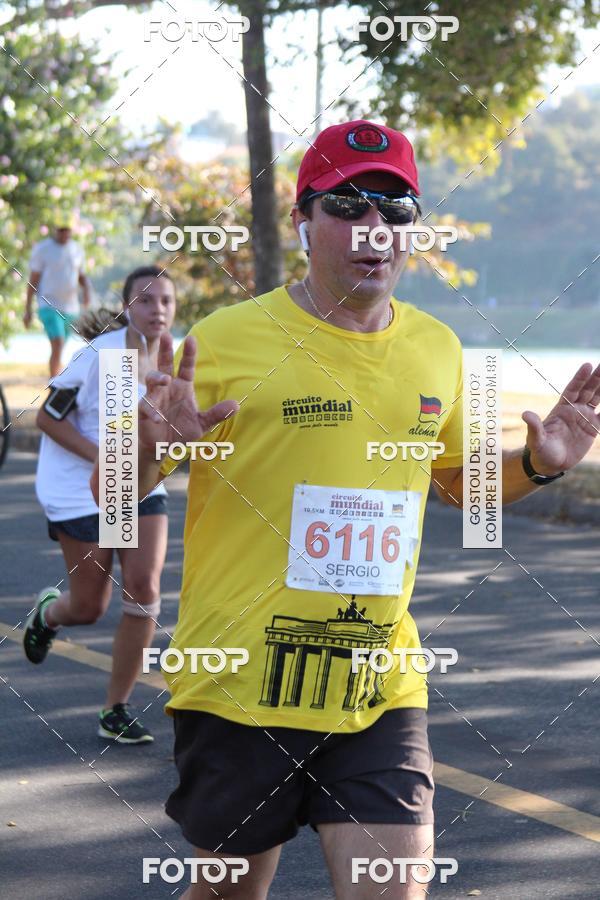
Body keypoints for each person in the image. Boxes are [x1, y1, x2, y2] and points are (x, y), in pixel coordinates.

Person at [130, 120, 599, 898]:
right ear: (302, 221)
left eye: (395, 209)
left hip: (377, 685)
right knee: (229, 892)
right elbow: (118, 492)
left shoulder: (437, 348)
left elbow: (457, 486)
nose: (374, 227)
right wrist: (151, 447)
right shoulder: (225, 342)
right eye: (347, 206)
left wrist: (537, 465)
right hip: (240, 685)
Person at [24, 265, 176, 744]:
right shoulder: (100, 355)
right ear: (128, 307)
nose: (157, 310)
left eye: (166, 301)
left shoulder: (172, 357)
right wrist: (105, 457)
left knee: (144, 589)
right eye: (145, 300)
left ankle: (116, 709)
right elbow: (47, 419)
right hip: (78, 488)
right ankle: (50, 614)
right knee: (89, 607)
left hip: (137, 483)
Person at [24, 216, 91, 378]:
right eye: (61, 230)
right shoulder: (43, 249)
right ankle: (54, 382)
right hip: (48, 305)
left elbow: (81, 275)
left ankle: (57, 381)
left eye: (67, 230)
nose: (64, 233)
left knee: (60, 348)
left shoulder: (76, 249)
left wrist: (87, 291)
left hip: (71, 307)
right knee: (58, 343)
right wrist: (28, 310)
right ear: (55, 230)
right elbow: (33, 280)